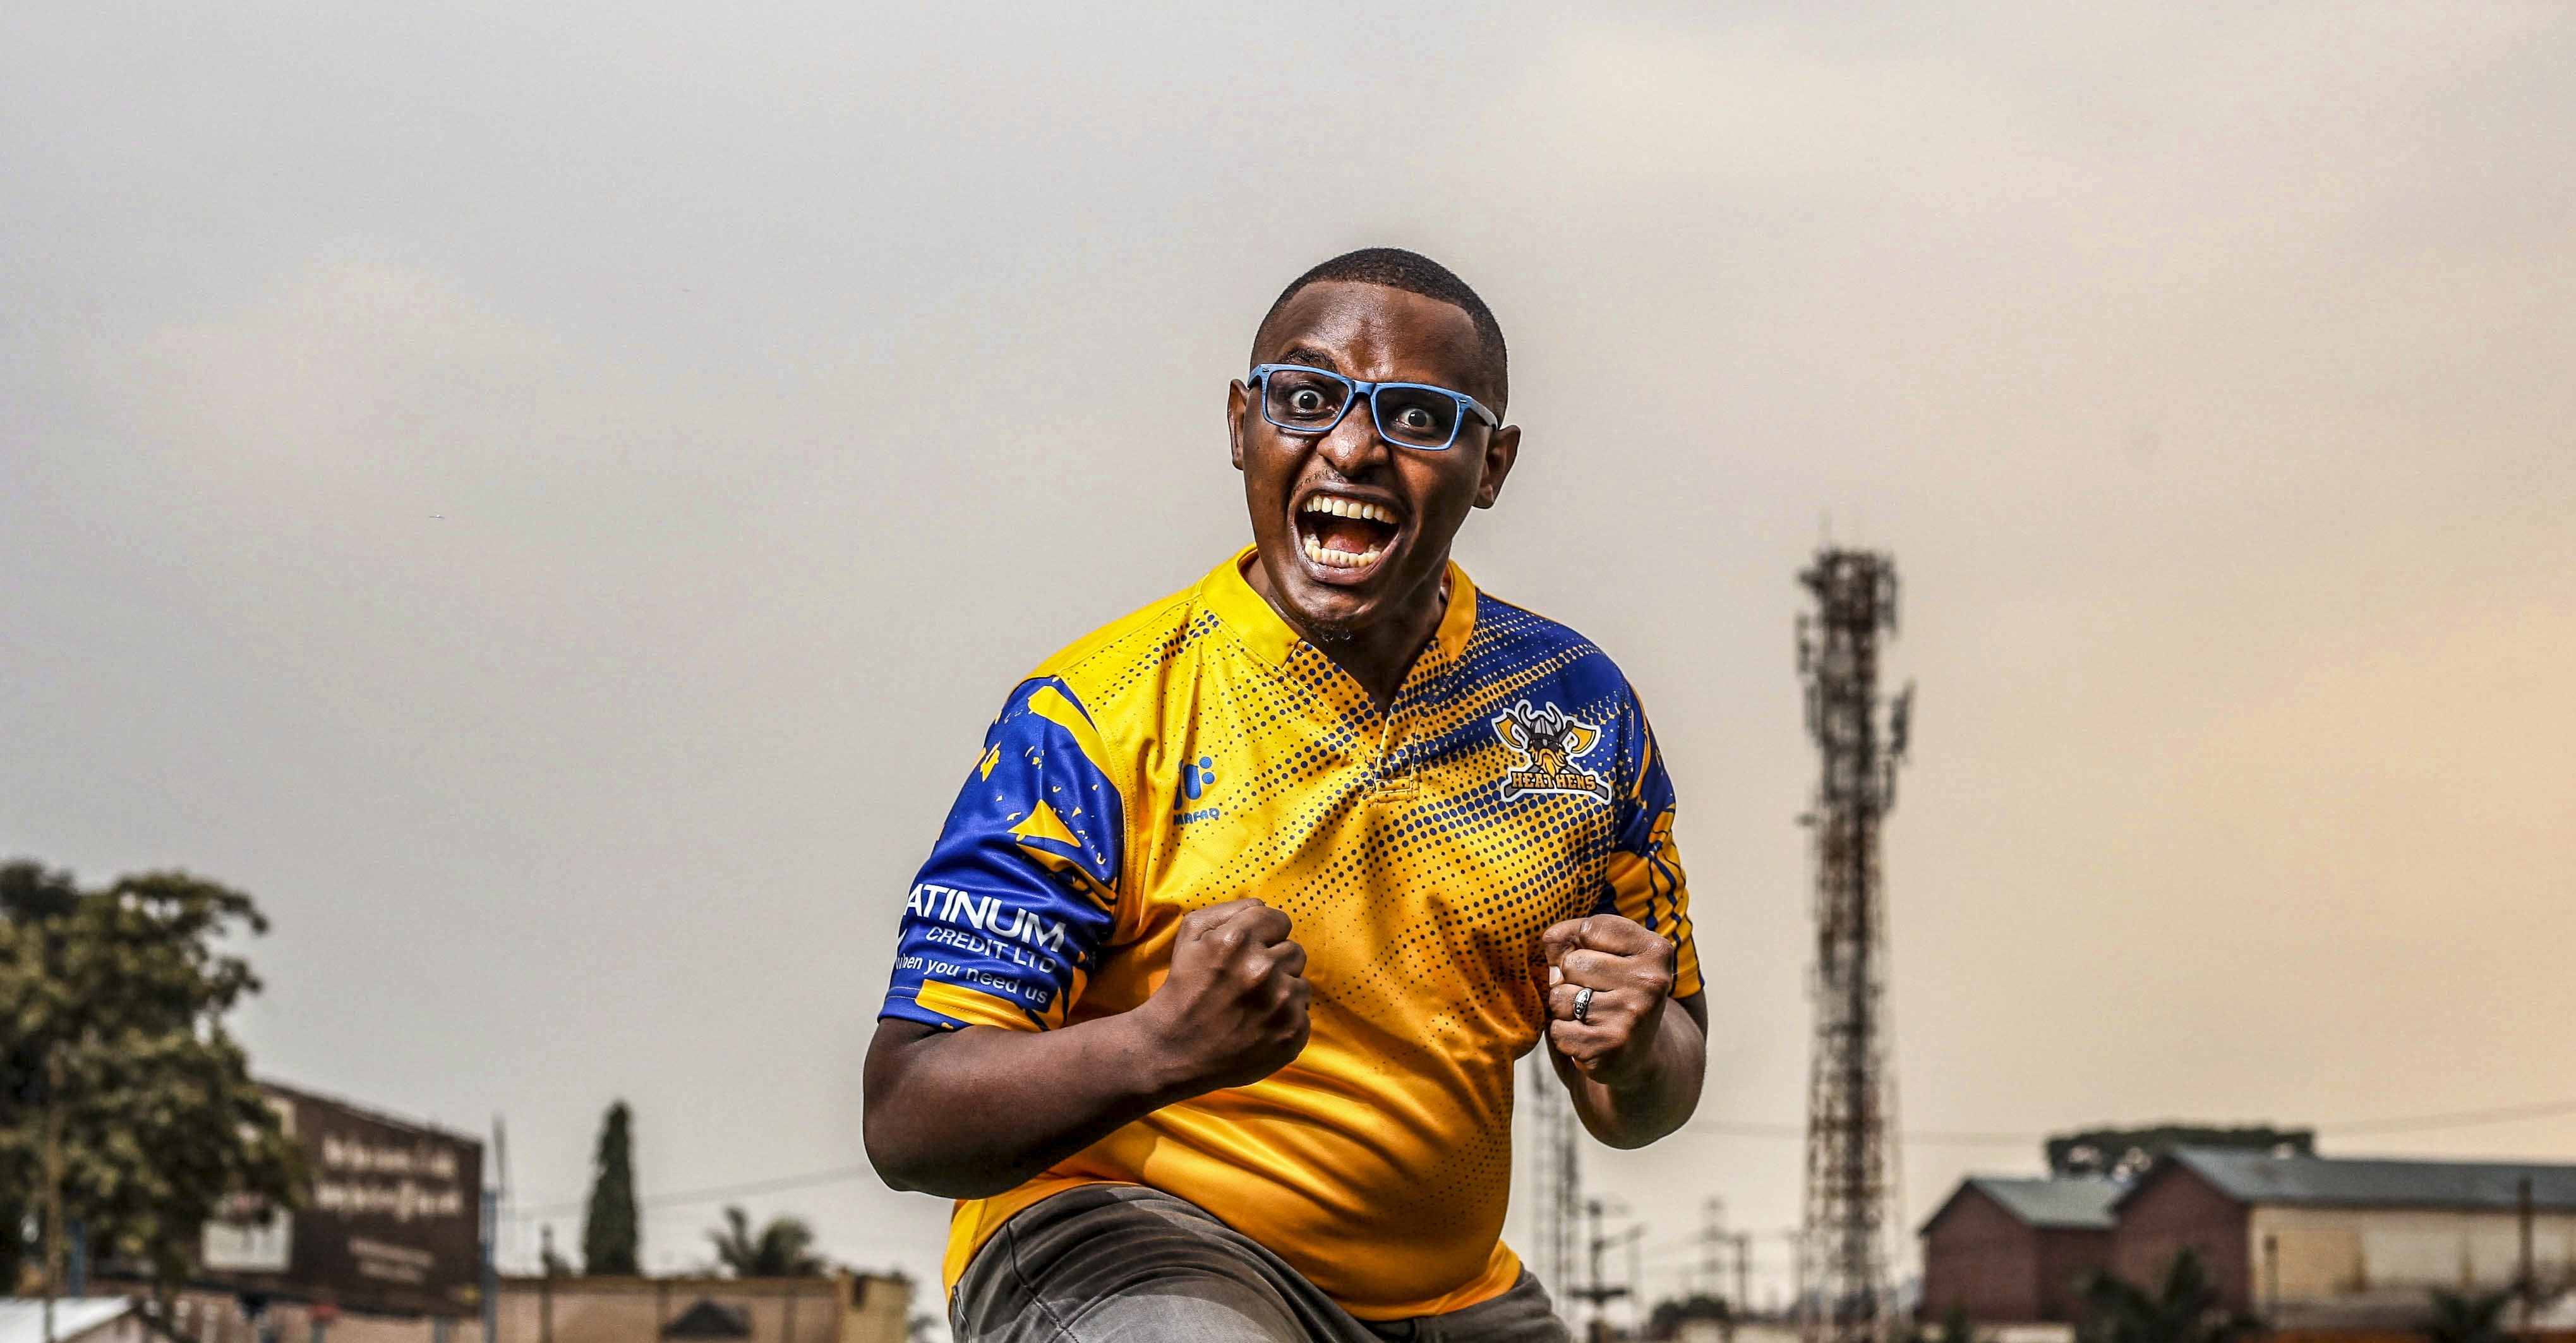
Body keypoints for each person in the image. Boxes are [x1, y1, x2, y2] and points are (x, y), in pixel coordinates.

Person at [864, 248, 1707, 1343]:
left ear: (1490, 465)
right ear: (1239, 425)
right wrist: (1157, 1044)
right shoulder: (1097, 719)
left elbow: (1644, 1097)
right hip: (1126, 1243)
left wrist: (1635, 1047)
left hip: (1450, 1302)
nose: (1351, 447)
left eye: (1416, 416)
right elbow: (907, 1115)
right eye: (1305, 399)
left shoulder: (1571, 714)